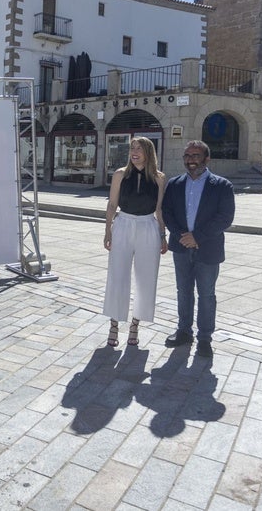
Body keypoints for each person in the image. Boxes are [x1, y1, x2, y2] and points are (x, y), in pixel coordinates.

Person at [162, 140, 235, 357]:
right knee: (183, 292)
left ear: (206, 159)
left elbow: (225, 218)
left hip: (208, 249)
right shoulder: (174, 184)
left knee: (206, 295)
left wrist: (197, 237)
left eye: (195, 156)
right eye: (187, 156)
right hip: (182, 248)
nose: (190, 160)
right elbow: (167, 213)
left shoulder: (222, 186)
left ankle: (205, 339)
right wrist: (182, 236)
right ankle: (184, 331)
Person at [102, 137, 167, 347]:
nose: (134, 151)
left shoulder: (159, 178)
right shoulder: (120, 174)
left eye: (139, 148)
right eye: (132, 148)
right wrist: (108, 231)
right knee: (117, 275)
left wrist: (163, 236)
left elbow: (159, 209)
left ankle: (135, 325)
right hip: (123, 225)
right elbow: (112, 204)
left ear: (149, 152)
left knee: (146, 277)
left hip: (148, 226)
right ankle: (114, 324)